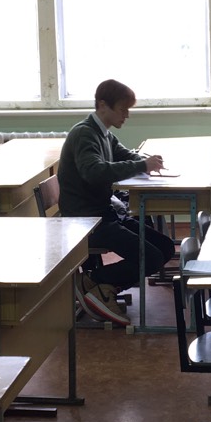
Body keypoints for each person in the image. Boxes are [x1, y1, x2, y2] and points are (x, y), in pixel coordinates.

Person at [58, 79, 173, 327]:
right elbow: (94, 172)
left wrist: (146, 161)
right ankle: (95, 282)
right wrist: (141, 165)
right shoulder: (85, 133)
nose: (127, 115)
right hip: (85, 222)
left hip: (105, 214)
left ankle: (100, 285)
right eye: (122, 109)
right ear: (103, 105)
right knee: (151, 258)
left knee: (165, 248)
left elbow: (124, 154)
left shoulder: (104, 133)